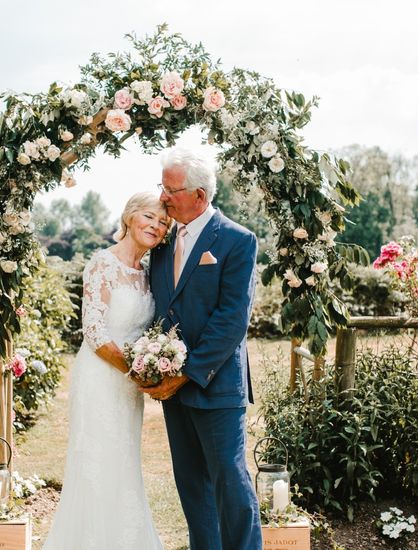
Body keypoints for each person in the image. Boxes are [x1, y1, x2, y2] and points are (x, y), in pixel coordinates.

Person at [142, 147, 263, 550]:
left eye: (170, 189)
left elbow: (231, 320)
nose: (162, 197)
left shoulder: (236, 240)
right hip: (174, 392)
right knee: (192, 486)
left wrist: (186, 373)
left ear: (199, 195)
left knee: (230, 482)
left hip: (215, 385)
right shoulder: (161, 245)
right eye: (162, 187)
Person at [43, 192, 171, 550]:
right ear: (130, 216)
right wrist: (139, 370)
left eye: (163, 223)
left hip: (128, 386)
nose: (156, 226)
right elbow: (95, 332)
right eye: (149, 216)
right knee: (97, 459)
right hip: (101, 376)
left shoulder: (148, 274)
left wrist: (151, 363)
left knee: (124, 459)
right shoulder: (103, 263)